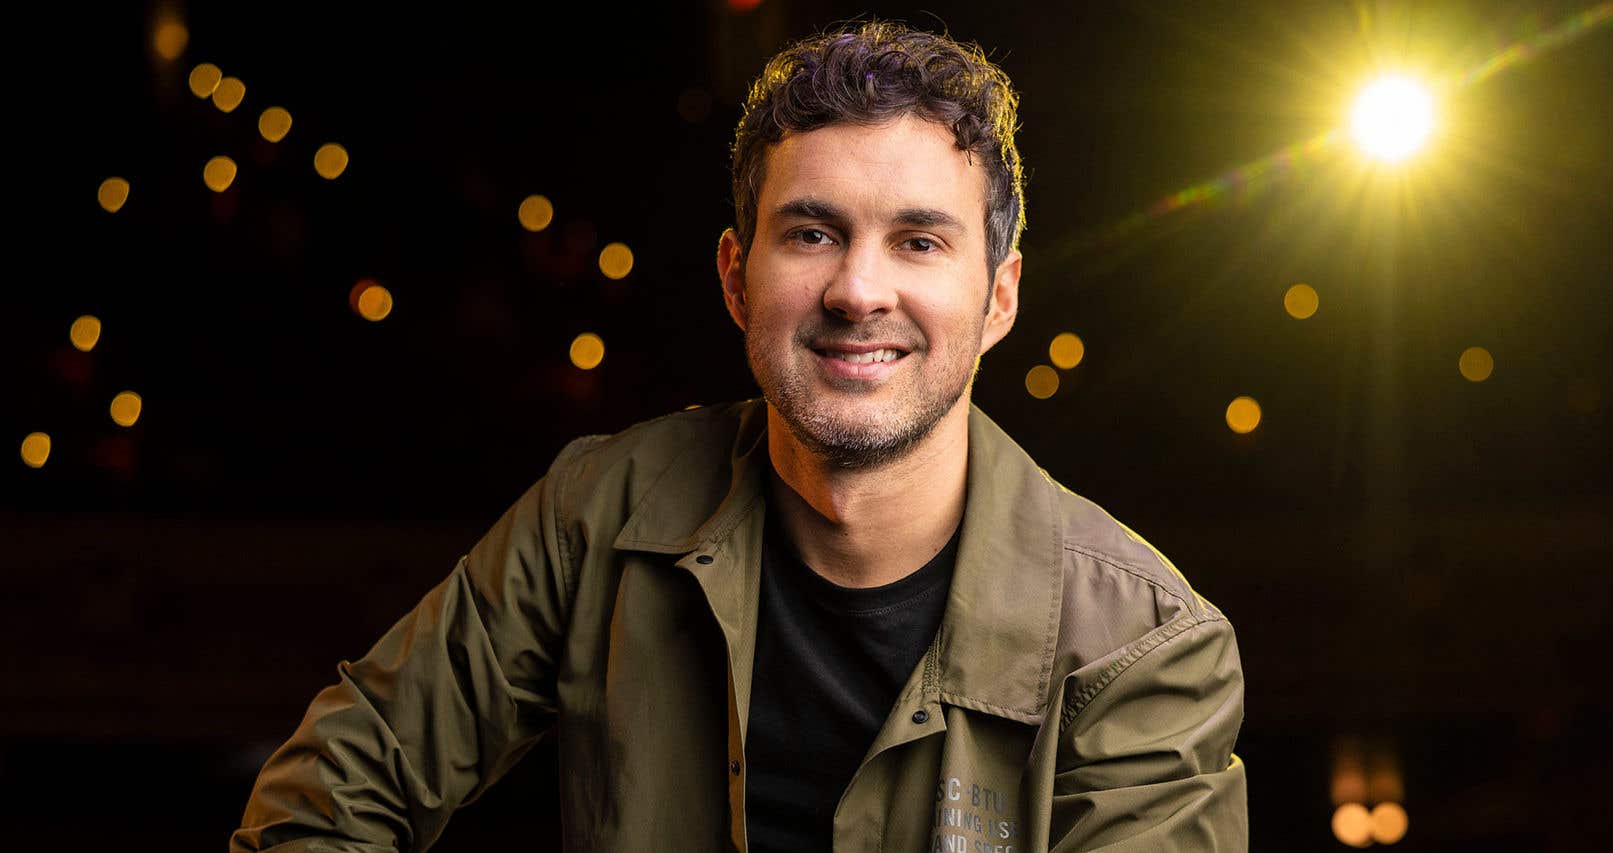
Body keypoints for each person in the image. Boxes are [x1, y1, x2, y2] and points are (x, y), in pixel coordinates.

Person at [230, 21, 1246, 853]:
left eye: (919, 241)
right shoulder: (597, 512)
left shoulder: (1143, 648)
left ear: (999, 297)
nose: (857, 289)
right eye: (811, 233)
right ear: (732, 276)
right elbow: (321, 803)